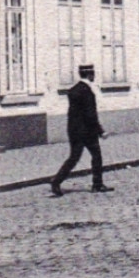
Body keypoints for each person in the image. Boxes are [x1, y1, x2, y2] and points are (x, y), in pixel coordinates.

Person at [50, 64, 112, 196]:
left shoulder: (73, 90)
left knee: (73, 158)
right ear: (90, 75)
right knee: (96, 156)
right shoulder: (87, 91)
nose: (94, 76)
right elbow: (90, 115)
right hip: (88, 131)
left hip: (74, 130)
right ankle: (98, 184)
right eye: (93, 74)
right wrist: (101, 131)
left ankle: (56, 181)